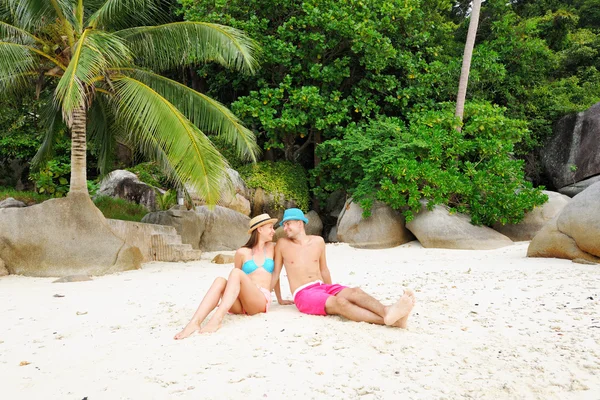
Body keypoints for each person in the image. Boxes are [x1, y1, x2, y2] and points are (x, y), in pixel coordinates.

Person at [271, 208, 415, 328]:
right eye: (284, 225)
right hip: (303, 294)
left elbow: (324, 270)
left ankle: (386, 311)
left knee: (355, 292)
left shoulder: (318, 241)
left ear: (300, 223)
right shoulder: (282, 244)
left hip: (322, 287)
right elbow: (275, 272)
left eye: (288, 224)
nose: (285, 228)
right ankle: (391, 321)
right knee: (341, 303)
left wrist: (330, 290)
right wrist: (277, 298)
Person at [174, 213, 291, 339]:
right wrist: (226, 300)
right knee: (220, 280)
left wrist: (279, 299)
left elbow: (275, 274)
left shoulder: (272, 248)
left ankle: (217, 319)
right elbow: (235, 282)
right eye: (270, 228)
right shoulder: (241, 252)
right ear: (260, 229)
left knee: (236, 273)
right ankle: (194, 323)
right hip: (241, 304)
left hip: (259, 301)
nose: (273, 231)